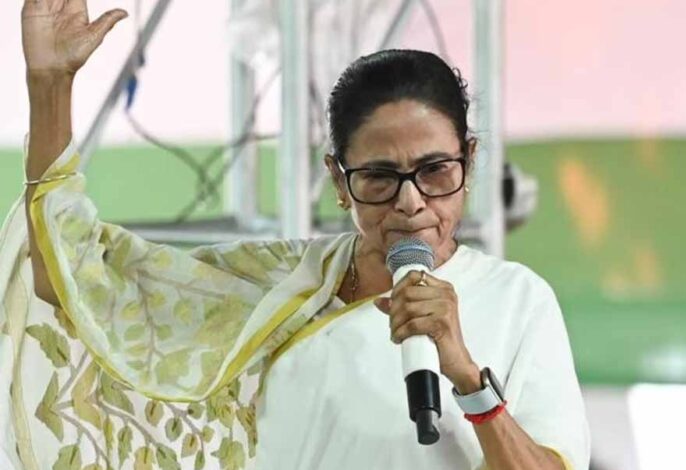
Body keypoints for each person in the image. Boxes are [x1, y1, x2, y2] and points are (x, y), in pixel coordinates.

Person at [0, 0, 589, 468]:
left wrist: (463, 373)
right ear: (338, 180)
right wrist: (49, 86)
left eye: (435, 171)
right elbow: (72, 283)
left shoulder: (518, 302)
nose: (411, 202)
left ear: (470, 161)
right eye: (380, 177)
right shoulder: (274, 287)